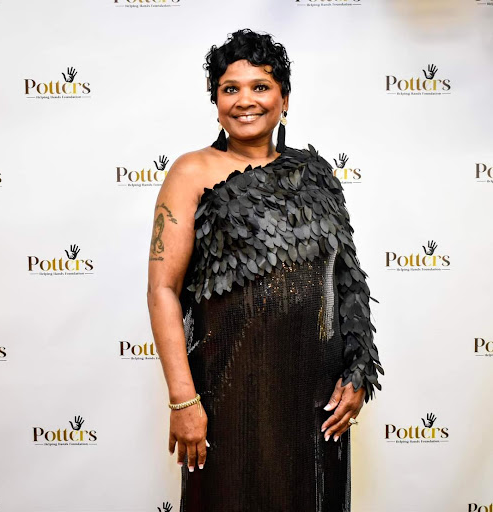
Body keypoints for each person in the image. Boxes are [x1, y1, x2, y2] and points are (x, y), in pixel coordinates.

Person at [147, 28, 384, 512]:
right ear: (215, 102)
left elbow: (348, 279)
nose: (244, 101)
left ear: (284, 99)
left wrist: (360, 368)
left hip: (315, 399)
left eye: (260, 86)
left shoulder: (316, 174)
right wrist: (183, 399)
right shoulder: (191, 172)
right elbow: (162, 290)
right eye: (229, 89)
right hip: (231, 392)